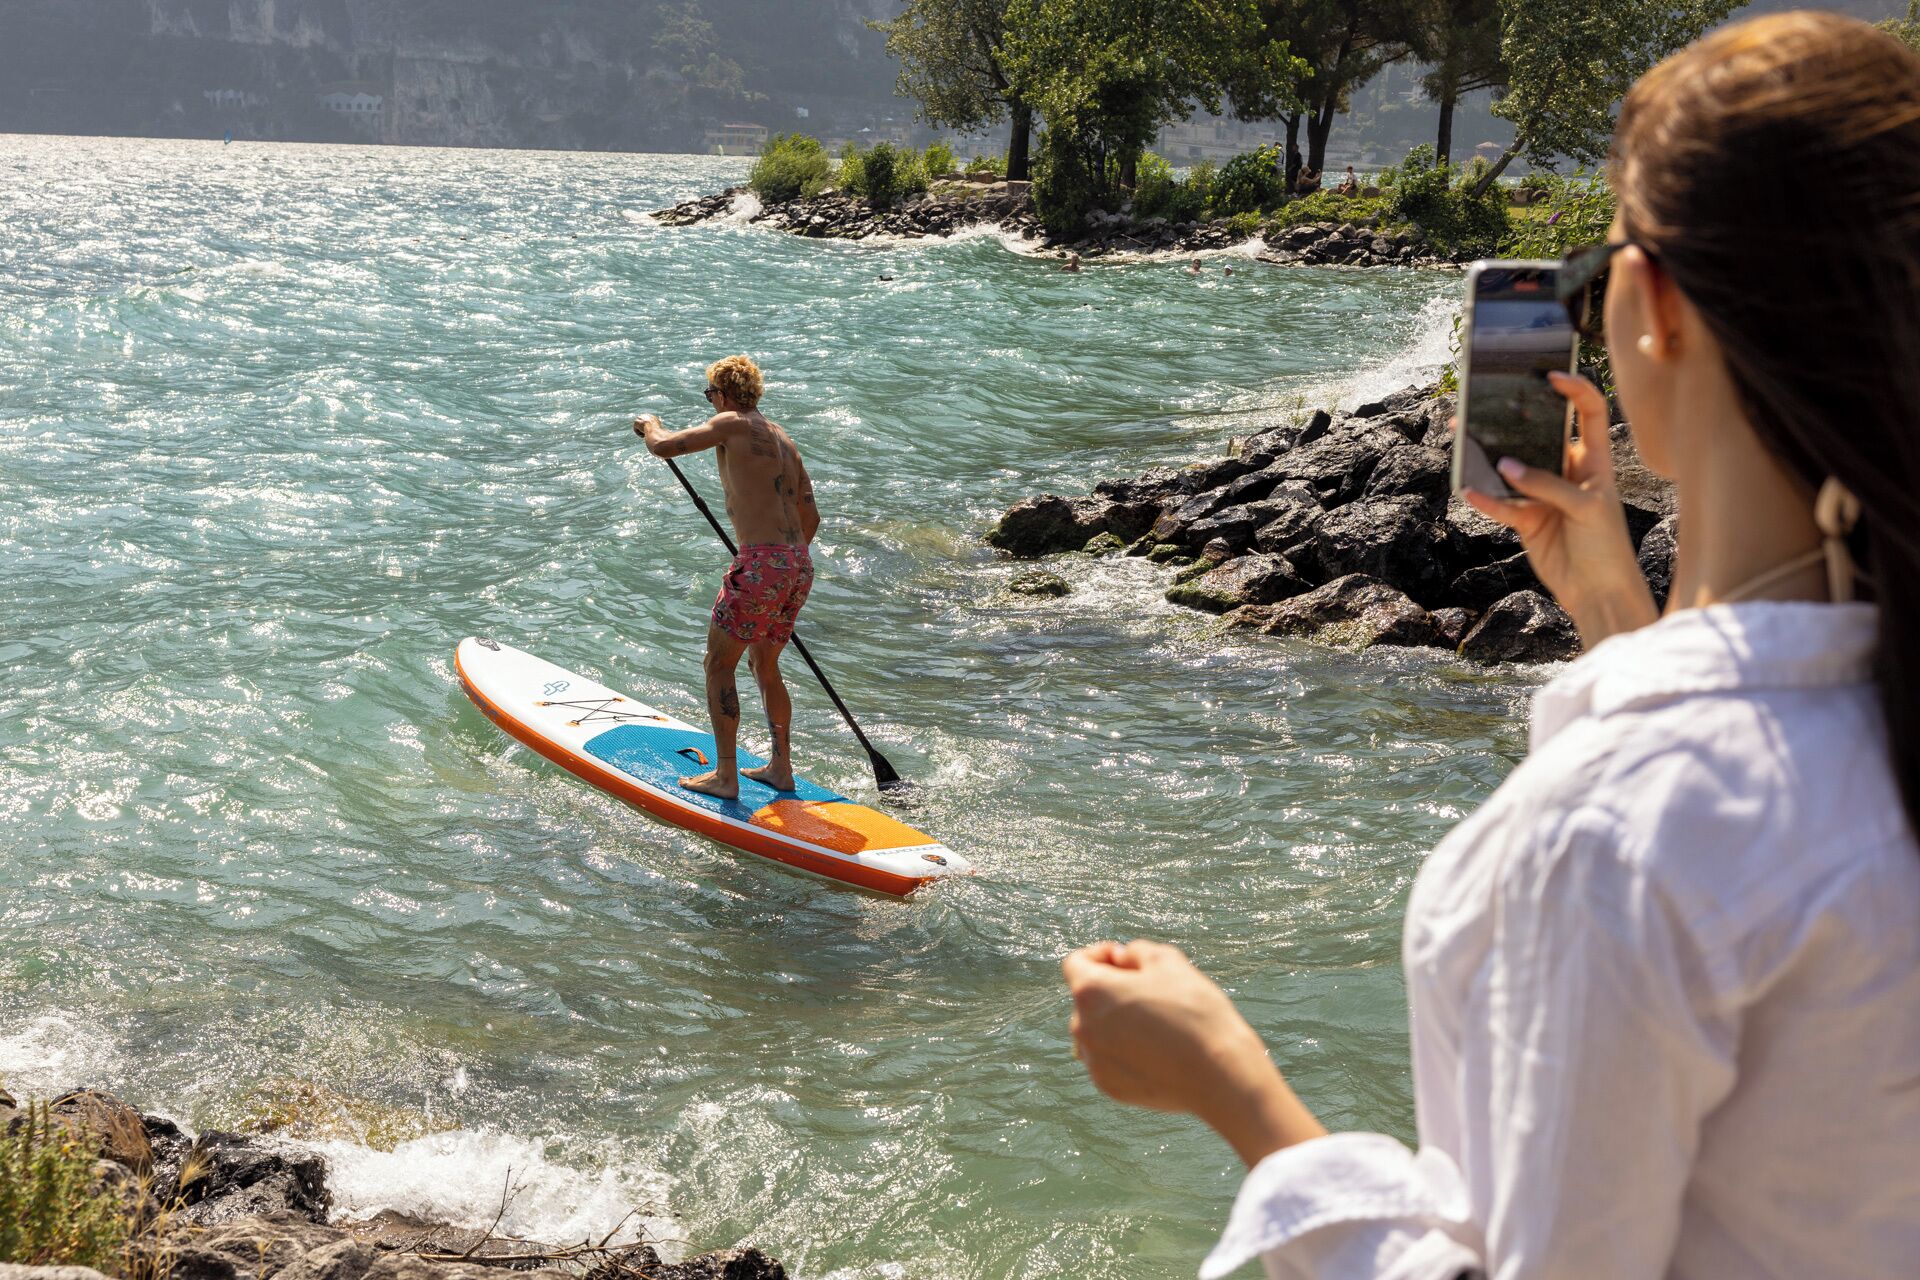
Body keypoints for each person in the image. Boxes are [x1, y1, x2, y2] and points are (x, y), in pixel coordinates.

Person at [1063, 13, 1920, 1278]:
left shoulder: (1621, 832)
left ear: (1657, 303)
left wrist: (1235, 1089)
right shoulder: (1842, 726)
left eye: (1601, 257)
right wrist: (1611, 605)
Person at [634, 356, 819, 799]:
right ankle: (780, 768)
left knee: (719, 665)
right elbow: (811, 516)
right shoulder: (784, 440)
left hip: (761, 565)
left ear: (723, 392)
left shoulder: (732, 423)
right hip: (797, 565)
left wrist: (649, 424)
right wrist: (780, 561)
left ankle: (726, 776)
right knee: (765, 664)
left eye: (709, 394)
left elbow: (664, 446)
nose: (710, 402)